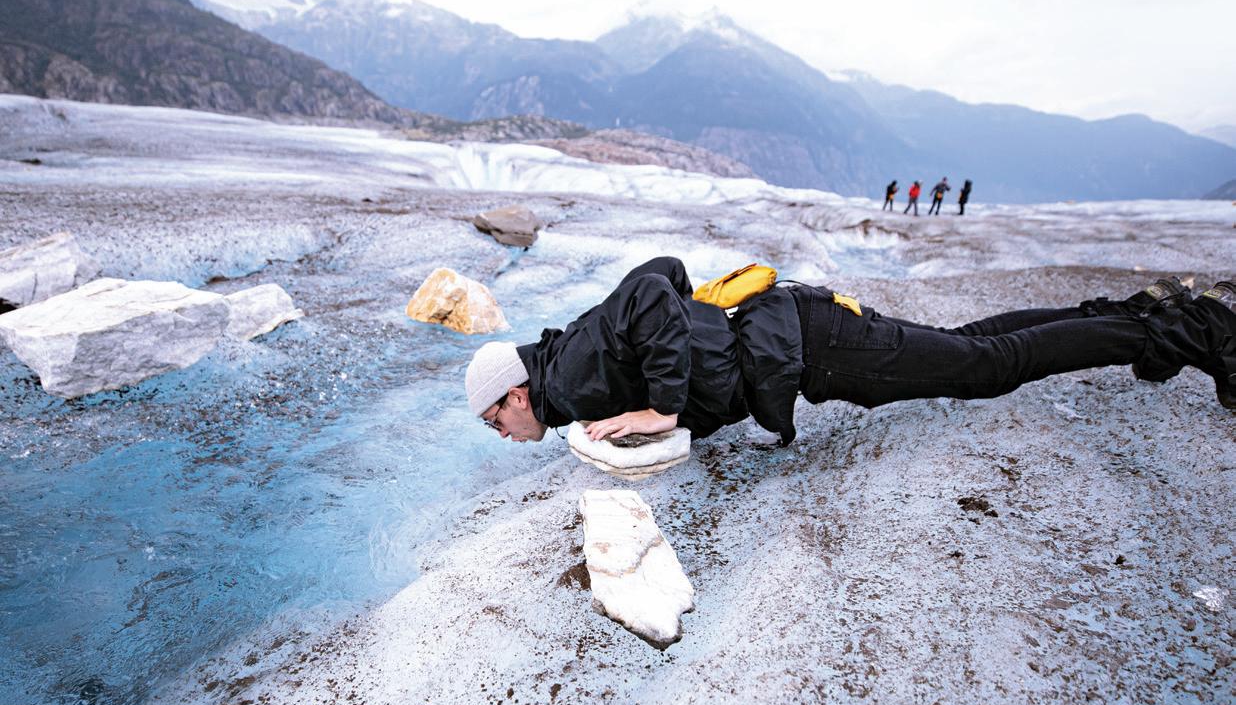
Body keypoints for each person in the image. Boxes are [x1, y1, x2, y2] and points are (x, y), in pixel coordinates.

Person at [466, 257, 1235, 448]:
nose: (503, 433)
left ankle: (1185, 328)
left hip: (815, 347)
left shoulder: (569, 372)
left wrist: (661, 408)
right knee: (974, 347)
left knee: (987, 367)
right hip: (801, 330)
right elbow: (668, 276)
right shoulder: (567, 373)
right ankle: (1132, 315)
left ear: (515, 394)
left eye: (496, 420)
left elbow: (649, 291)